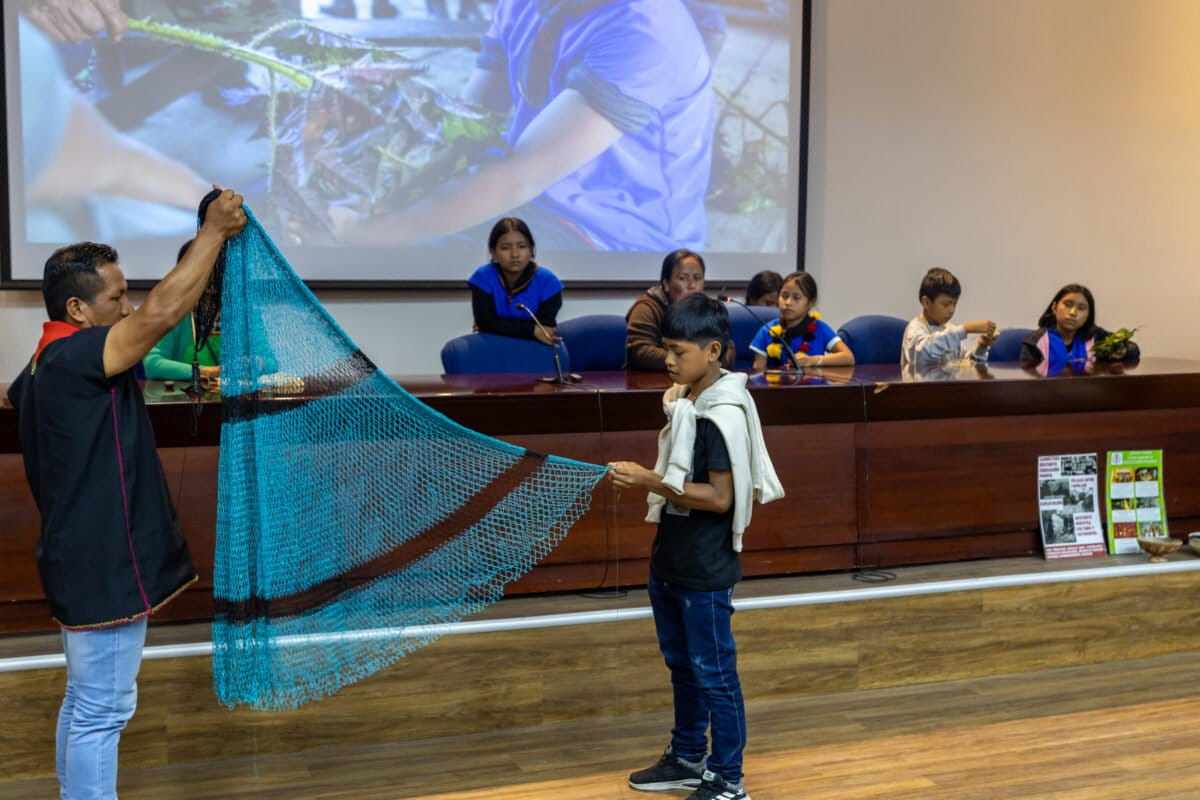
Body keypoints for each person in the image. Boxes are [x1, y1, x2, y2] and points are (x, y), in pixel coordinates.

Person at [6, 188, 246, 800]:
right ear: (78, 310)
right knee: (102, 711)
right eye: (115, 298)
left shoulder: (36, 369)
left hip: (79, 559)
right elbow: (162, 314)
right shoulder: (74, 358)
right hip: (101, 563)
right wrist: (213, 234)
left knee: (86, 701)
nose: (128, 306)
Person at [332, 0, 716, 250]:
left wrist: (371, 234)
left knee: (414, 259)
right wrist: (390, 194)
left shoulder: (647, 32)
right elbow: (468, 121)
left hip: (613, 238)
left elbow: (519, 177)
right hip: (532, 196)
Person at [610, 293, 782, 800]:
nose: (668, 360)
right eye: (665, 348)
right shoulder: (684, 401)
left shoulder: (719, 415)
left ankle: (728, 779)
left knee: (715, 674)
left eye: (678, 351)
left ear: (712, 351)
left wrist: (651, 480)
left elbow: (720, 497)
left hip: (705, 567)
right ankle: (687, 757)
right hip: (671, 557)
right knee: (683, 666)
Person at [628, 249, 733, 370]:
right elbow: (641, 352)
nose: (692, 285)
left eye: (697, 278)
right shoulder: (648, 307)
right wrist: (694, 360)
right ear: (666, 284)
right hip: (653, 378)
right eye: (683, 278)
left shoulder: (707, 310)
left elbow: (727, 348)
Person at [468, 218, 563, 344]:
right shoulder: (483, 278)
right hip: (492, 346)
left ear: (531, 250)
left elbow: (544, 330)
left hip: (534, 349)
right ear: (493, 252)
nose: (515, 254)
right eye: (505, 248)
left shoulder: (549, 283)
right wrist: (531, 330)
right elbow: (485, 323)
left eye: (522, 246)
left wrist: (495, 325)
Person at [142, 239, 221, 384]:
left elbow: (264, 362)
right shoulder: (173, 311)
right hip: (186, 395)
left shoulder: (238, 312)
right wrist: (208, 372)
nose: (213, 277)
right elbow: (152, 364)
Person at [1019, 284, 1140, 374]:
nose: (1073, 312)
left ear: (1088, 315)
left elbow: (1132, 350)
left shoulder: (1094, 335)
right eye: (1068, 305)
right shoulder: (1036, 341)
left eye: (1081, 308)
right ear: (1054, 307)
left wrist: (1120, 351)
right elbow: (1029, 379)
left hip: (1086, 392)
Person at [748, 271, 854, 371]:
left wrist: (812, 361)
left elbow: (848, 357)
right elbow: (758, 369)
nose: (788, 302)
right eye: (784, 296)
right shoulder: (767, 330)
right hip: (775, 384)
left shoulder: (820, 329)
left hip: (812, 384)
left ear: (810, 302)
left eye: (796, 298)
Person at [900, 267, 996, 376]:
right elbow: (923, 354)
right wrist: (965, 329)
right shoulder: (914, 329)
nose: (952, 310)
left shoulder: (950, 329)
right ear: (926, 302)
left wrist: (982, 347)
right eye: (945, 304)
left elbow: (967, 365)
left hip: (947, 386)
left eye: (954, 304)